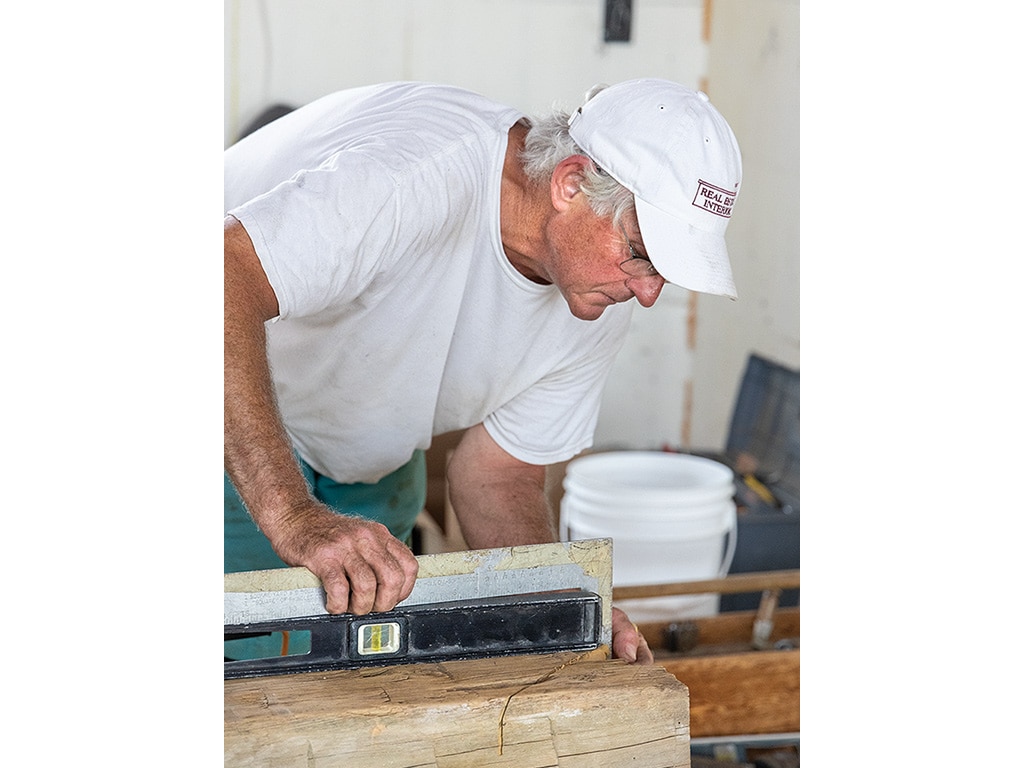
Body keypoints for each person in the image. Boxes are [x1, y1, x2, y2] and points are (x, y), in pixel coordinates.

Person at [224, 78, 742, 665]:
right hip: (231, 420)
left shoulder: (599, 294)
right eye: (644, 254)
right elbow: (221, 274)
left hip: (366, 458)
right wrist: (293, 515)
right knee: (245, 692)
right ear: (571, 184)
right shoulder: (414, 175)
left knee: (355, 687)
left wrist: (560, 606)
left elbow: (498, 475)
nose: (649, 293)